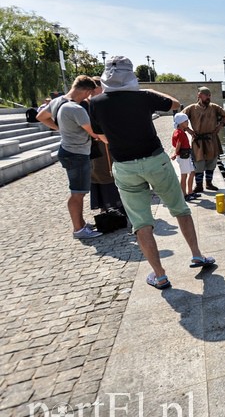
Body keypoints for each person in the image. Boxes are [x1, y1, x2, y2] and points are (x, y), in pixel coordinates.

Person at [90, 56, 215, 290]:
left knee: (141, 222)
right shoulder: (143, 97)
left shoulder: (96, 104)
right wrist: (144, 90)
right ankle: (197, 255)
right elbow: (175, 104)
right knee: (180, 208)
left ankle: (159, 275)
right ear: (131, 76)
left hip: (125, 166)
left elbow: (102, 137)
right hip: (155, 160)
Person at [36, 75, 106, 239]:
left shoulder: (58, 101)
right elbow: (94, 133)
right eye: (89, 94)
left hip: (67, 149)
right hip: (78, 153)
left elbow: (40, 117)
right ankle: (78, 229)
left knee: (78, 191)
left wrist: (59, 129)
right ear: (87, 90)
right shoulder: (76, 109)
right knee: (77, 193)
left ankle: (80, 224)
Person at [85, 77, 125, 215]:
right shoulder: (87, 104)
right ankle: (105, 206)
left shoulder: (104, 102)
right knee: (100, 174)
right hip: (98, 145)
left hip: (108, 143)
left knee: (111, 173)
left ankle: (117, 206)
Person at [183, 86, 225, 193]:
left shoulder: (214, 107)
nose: (208, 97)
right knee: (198, 163)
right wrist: (188, 130)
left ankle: (209, 183)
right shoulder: (191, 108)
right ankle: (199, 185)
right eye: (206, 95)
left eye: (209, 95)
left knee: (211, 162)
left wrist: (220, 126)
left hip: (211, 139)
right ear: (199, 95)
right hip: (198, 140)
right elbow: (179, 118)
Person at [171, 112, 199, 201]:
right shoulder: (180, 132)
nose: (187, 123)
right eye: (186, 121)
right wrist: (175, 154)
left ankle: (190, 191)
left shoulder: (181, 131)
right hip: (183, 157)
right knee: (184, 175)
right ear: (180, 122)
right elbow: (178, 144)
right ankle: (184, 194)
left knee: (192, 172)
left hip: (186, 155)